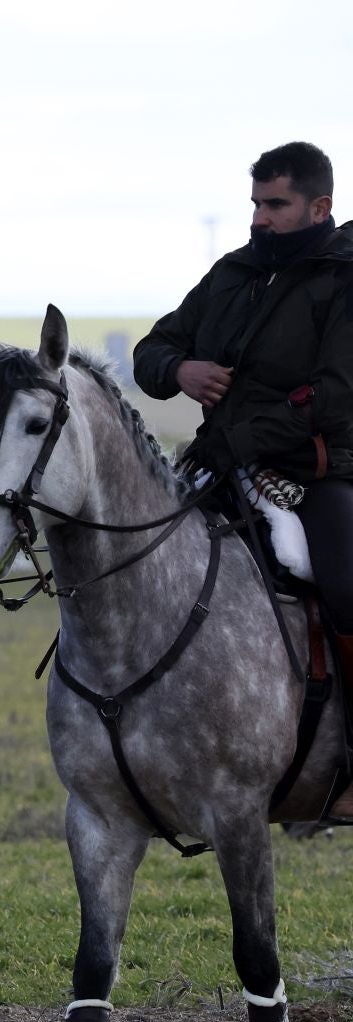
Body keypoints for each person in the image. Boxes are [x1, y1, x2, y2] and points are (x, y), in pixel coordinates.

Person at [136, 142, 353, 681]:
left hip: (315, 473)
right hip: (219, 464)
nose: (259, 220)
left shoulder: (344, 280)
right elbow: (151, 349)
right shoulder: (232, 272)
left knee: (349, 586)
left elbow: (335, 396)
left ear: (319, 209)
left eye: (276, 206)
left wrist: (242, 440)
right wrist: (180, 370)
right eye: (255, 205)